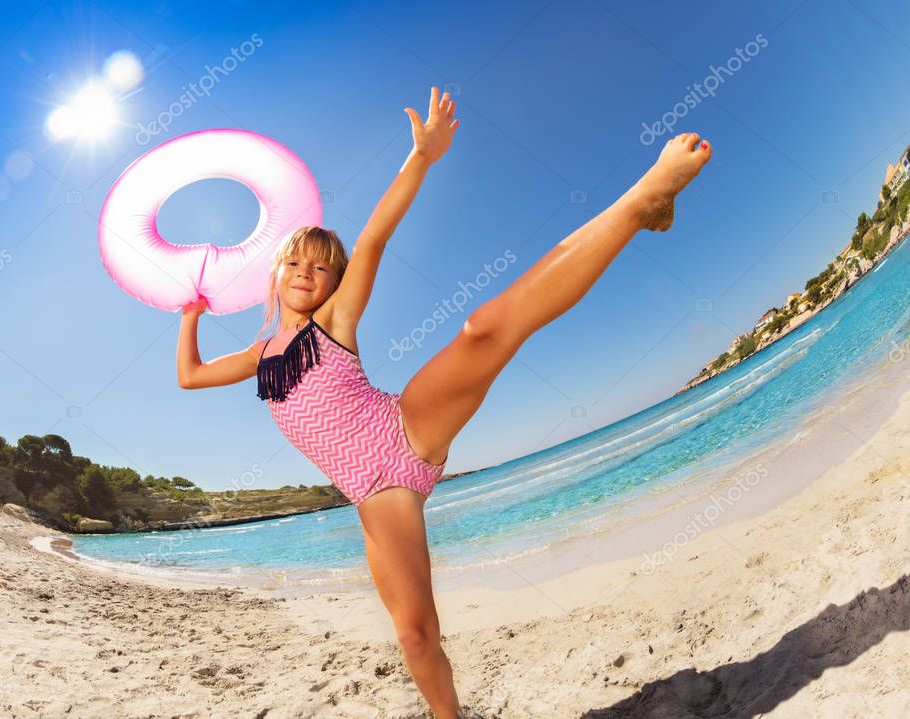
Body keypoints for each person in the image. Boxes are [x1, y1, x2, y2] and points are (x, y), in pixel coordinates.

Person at [176, 86, 711, 718]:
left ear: (334, 284)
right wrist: (191, 313)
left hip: (401, 430)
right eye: (294, 261)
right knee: (413, 634)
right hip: (372, 497)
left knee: (485, 330)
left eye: (320, 267)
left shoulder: (334, 320)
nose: (304, 272)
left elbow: (373, 235)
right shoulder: (262, 354)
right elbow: (190, 377)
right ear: (275, 273)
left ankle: (639, 202)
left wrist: (422, 158)